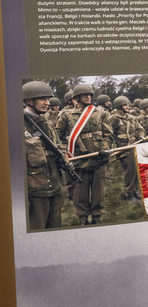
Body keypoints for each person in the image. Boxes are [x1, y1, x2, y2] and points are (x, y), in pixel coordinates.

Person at [56, 83, 113, 225]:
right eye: (84, 95)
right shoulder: (67, 115)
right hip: (79, 159)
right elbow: (57, 136)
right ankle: (82, 216)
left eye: (90, 95)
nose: (88, 97)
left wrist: (104, 148)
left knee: (98, 190)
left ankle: (97, 216)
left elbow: (108, 134)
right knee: (80, 191)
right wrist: (66, 149)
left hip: (98, 157)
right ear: (77, 97)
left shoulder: (101, 113)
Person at [22, 80, 68, 230]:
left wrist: (65, 159)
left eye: (48, 99)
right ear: (29, 101)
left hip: (55, 183)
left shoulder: (45, 120)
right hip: (36, 188)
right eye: (43, 99)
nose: (47, 103)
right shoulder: (19, 124)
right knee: (37, 228)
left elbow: (57, 144)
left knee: (55, 227)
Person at [110, 96, 141, 202]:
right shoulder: (114, 118)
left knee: (136, 170)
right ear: (119, 106)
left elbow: (139, 128)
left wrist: (141, 136)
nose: (128, 106)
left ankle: (135, 190)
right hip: (124, 149)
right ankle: (129, 193)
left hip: (134, 147)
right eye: (125, 105)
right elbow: (109, 133)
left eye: (128, 104)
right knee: (129, 172)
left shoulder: (131, 117)